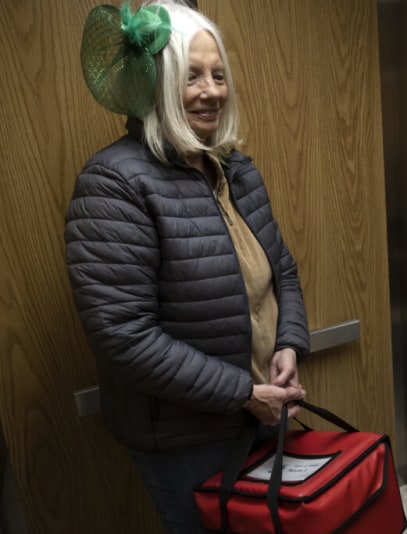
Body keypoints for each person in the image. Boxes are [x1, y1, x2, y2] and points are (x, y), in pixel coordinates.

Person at [65, 1, 309, 531]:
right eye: (191, 75)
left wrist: (290, 343)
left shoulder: (236, 168)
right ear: (155, 86)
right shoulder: (114, 184)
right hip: (188, 438)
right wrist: (243, 393)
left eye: (218, 75)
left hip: (268, 408)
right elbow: (123, 335)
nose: (211, 90)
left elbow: (282, 272)